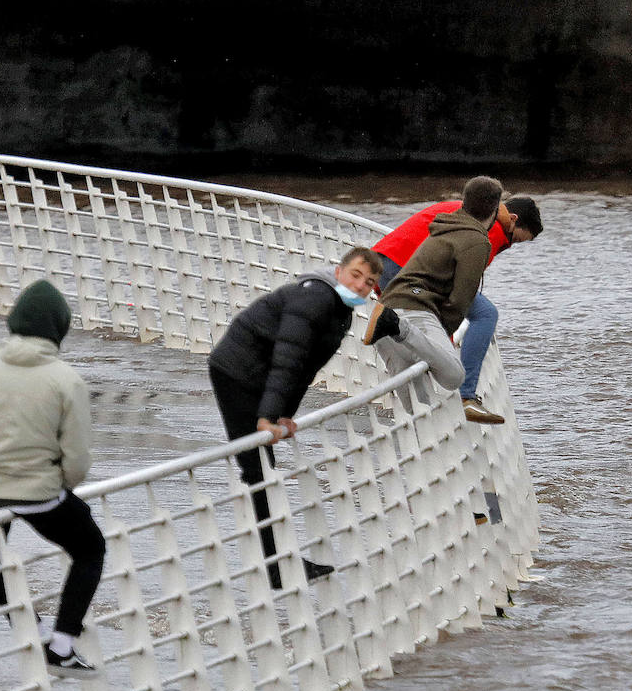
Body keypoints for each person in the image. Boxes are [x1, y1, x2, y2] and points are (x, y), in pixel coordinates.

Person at [0, 279, 106, 679]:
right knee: (89, 548)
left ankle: (31, 629)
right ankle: (62, 644)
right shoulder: (65, 378)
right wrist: (65, 487)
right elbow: (77, 456)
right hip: (37, 492)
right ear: (60, 328)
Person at [208, 246, 383, 589]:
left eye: (370, 282)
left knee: (264, 467)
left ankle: (278, 561)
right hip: (236, 370)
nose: (361, 286)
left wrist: (284, 414)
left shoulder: (340, 312)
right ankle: (276, 568)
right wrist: (265, 418)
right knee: (257, 467)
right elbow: (288, 358)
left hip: (258, 374)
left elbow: (307, 368)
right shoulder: (315, 300)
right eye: (356, 275)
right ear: (339, 271)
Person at [373, 193, 543, 424]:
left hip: (385, 262)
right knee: (485, 314)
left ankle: (420, 418)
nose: (511, 245)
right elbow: (457, 291)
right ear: (512, 219)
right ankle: (466, 398)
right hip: (405, 270)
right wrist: (447, 340)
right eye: (517, 240)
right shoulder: (491, 229)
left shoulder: (469, 208)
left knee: (417, 351)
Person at [362, 175, 502, 404]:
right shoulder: (477, 241)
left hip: (387, 306)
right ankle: (397, 327)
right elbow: (460, 300)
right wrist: (443, 339)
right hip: (412, 312)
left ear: (463, 201)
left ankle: (394, 325)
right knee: (454, 376)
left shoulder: (443, 225)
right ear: (495, 209)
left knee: (413, 399)